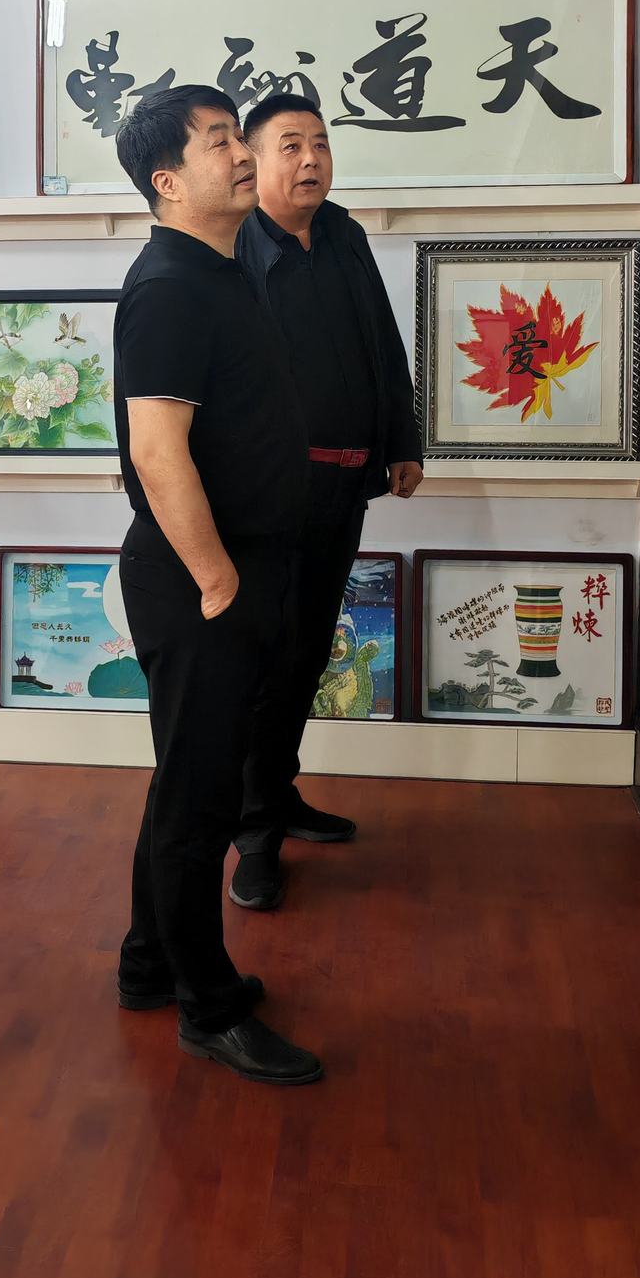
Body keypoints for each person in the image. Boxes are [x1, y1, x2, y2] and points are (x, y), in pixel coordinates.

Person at [112, 84, 322, 1085]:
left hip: (236, 569)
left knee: (189, 782)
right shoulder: (169, 286)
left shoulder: (220, 268)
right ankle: (207, 1004)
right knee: (200, 802)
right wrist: (217, 580)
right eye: (219, 142)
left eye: (239, 137)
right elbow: (157, 453)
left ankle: (150, 961)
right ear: (167, 180)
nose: (242, 155)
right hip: (203, 581)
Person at [230, 95, 423, 910]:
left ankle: (280, 795)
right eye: (291, 145)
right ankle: (253, 835)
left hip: (345, 486)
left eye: (320, 143)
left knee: (309, 654)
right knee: (267, 662)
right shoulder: (235, 245)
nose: (311, 159)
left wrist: (403, 439)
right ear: (251, 158)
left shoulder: (343, 233)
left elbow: (382, 339)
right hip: (271, 496)